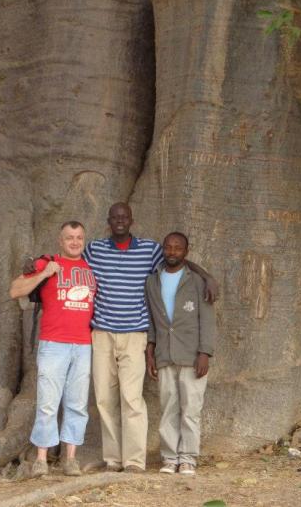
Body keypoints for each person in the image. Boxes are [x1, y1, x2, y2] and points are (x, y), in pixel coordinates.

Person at [83, 203, 218, 473]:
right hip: (102, 333)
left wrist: (207, 276)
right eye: (115, 217)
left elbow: (178, 261)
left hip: (135, 334)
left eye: (125, 217)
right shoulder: (95, 250)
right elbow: (71, 261)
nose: (120, 221)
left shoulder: (150, 250)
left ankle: (134, 460)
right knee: (104, 399)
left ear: (132, 220)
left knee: (132, 398)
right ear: (109, 221)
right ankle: (113, 459)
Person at [9, 221, 97, 477]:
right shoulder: (47, 264)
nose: (74, 242)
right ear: (60, 240)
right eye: (69, 237)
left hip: (83, 344)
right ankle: (41, 459)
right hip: (54, 343)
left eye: (79, 237)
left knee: (77, 403)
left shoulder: (91, 268)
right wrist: (44, 274)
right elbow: (15, 290)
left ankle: (70, 459)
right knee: (48, 403)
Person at [144, 232, 214, 476]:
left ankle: (188, 458)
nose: (172, 252)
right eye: (168, 247)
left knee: (191, 409)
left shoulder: (198, 282)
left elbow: (207, 320)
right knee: (168, 408)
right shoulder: (152, 282)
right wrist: (150, 351)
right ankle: (170, 457)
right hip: (164, 354)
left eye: (178, 248)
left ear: (186, 251)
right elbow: (152, 320)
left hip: (192, 355)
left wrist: (204, 352)